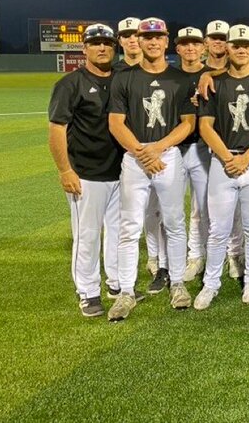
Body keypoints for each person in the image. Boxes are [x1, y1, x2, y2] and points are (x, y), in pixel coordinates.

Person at [107, 17, 197, 321]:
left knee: (174, 222)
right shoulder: (124, 78)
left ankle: (177, 283)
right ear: (139, 41)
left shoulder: (180, 79)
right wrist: (142, 151)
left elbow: (188, 123)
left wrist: (157, 148)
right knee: (129, 226)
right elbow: (116, 123)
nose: (153, 42)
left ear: (166, 40)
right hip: (135, 157)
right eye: (147, 37)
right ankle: (126, 292)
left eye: (158, 37)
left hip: (167, 155)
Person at [194, 24, 249, 309]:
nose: (241, 49)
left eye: (246, 45)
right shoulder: (215, 84)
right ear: (227, 48)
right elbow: (205, 126)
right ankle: (211, 284)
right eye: (235, 45)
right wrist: (227, 158)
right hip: (222, 161)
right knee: (219, 228)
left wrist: (246, 157)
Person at [48, 23, 126, 317]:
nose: (102, 47)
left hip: (121, 171)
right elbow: (57, 129)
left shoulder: (121, 77)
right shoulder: (70, 84)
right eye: (95, 43)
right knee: (87, 235)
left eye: (107, 42)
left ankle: (117, 284)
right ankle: (88, 291)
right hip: (86, 173)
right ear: (85, 49)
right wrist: (64, 170)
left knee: (118, 233)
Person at [204, 19, 245, 278]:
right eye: (214, 38)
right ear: (206, 42)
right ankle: (198, 256)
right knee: (202, 210)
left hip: (234, 147)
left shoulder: (236, 70)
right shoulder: (200, 72)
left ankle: (236, 254)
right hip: (204, 147)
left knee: (239, 208)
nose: (218, 42)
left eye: (222, 38)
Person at [174, 27, 212, 283]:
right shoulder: (168, 75)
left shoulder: (211, 77)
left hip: (201, 148)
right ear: (177, 48)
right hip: (173, 148)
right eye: (185, 44)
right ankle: (172, 260)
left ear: (203, 47)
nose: (190, 48)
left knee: (203, 208)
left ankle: (200, 255)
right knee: (172, 209)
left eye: (195, 44)